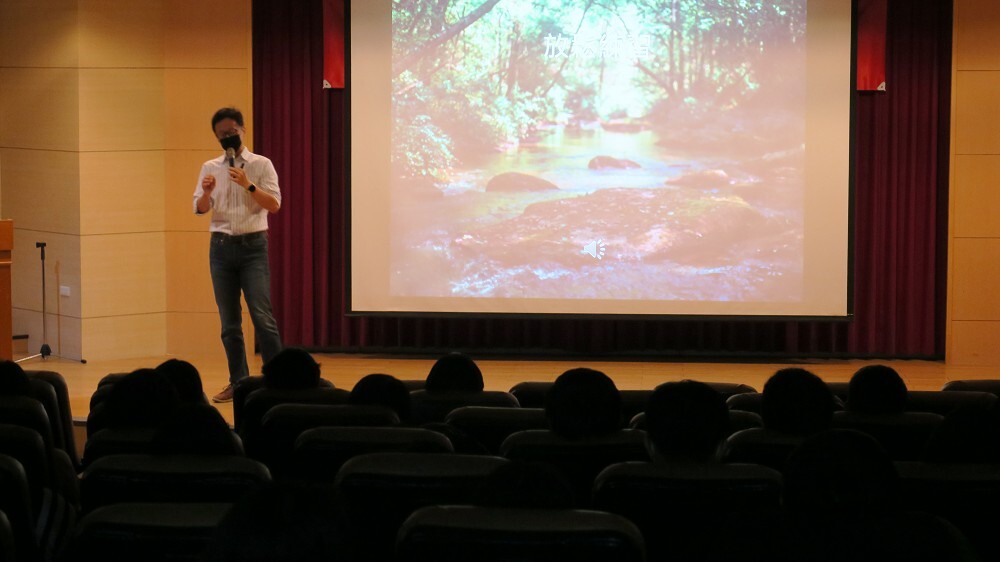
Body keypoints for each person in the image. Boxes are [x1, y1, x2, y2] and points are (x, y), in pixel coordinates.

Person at [194, 107, 283, 403]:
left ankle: (278, 382)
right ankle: (239, 382)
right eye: (222, 135)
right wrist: (206, 193)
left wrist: (248, 185)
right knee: (229, 324)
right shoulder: (210, 167)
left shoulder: (261, 164)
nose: (227, 137)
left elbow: (274, 205)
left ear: (243, 130)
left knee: (262, 317)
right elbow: (200, 209)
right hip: (220, 248)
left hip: (253, 246)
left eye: (232, 132)